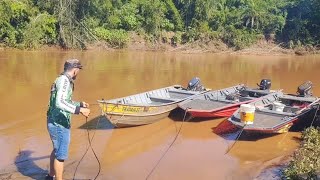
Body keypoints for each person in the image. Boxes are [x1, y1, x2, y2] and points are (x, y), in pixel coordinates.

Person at [46, 59, 90, 180]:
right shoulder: (65, 81)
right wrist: (79, 110)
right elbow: (60, 103)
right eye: (78, 70)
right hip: (59, 124)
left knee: (56, 150)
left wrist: (80, 104)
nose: (78, 73)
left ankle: (50, 176)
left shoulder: (60, 79)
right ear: (75, 70)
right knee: (60, 156)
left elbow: (65, 101)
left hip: (53, 121)